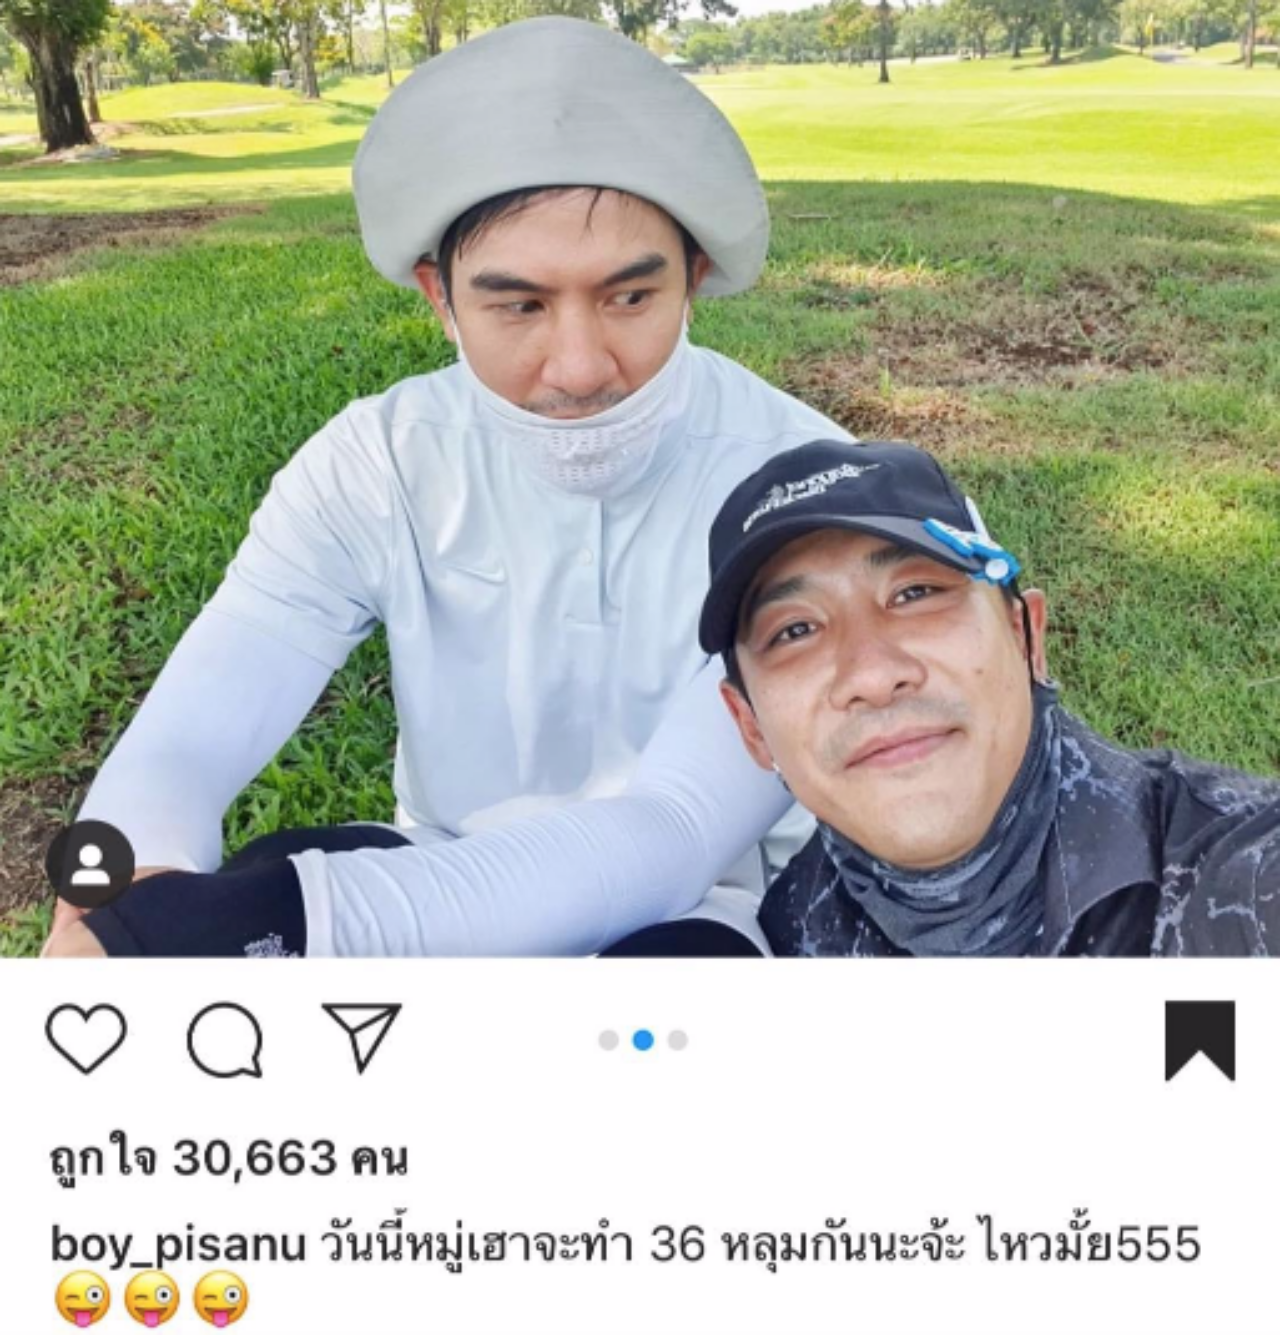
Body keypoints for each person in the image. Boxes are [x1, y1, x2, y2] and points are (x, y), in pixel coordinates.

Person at [43, 18, 847, 959]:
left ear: (694, 278)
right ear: (441, 297)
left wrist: (271, 922)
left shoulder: (806, 484)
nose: (580, 368)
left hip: (714, 905)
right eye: (518, 305)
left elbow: (674, 834)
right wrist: (105, 892)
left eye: (630, 297)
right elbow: (190, 730)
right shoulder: (379, 461)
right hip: (438, 865)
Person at [689, 438, 1280, 957]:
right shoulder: (787, 937)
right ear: (751, 728)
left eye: (915, 593)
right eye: (795, 630)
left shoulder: (1247, 884)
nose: (872, 674)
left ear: (1026, 638)